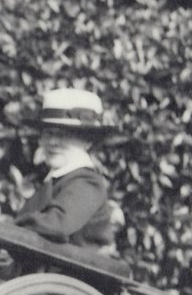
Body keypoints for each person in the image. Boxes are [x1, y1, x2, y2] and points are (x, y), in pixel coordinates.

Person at [14, 87, 116, 249]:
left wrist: (9, 227)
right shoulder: (56, 180)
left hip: (74, 273)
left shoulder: (87, 183)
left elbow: (55, 225)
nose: (53, 142)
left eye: (64, 134)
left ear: (87, 141)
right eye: (48, 133)